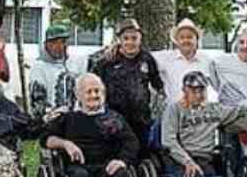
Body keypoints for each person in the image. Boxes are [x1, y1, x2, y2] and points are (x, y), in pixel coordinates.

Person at [42, 73, 141, 177]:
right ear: (78, 95)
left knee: (122, 174)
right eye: (89, 92)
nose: (94, 95)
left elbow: (131, 142)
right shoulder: (68, 117)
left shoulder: (113, 118)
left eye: (97, 91)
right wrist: (65, 144)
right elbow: (46, 139)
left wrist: (122, 161)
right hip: (78, 167)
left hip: (106, 166)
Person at [90, 18, 164, 155]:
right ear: (119, 39)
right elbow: (92, 83)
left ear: (140, 39)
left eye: (134, 38)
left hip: (140, 120)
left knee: (140, 154)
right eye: (126, 38)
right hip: (113, 119)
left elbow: (158, 86)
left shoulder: (147, 59)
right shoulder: (106, 60)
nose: (130, 42)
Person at [29, 21, 89, 122]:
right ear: (46, 44)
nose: (59, 46)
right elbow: (37, 103)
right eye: (54, 43)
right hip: (52, 120)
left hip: (76, 119)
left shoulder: (74, 62)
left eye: (63, 42)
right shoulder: (38, 67)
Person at [152, 18, 219, 103]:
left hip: (199, 112)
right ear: (176, 41)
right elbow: (144, 58)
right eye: (182, 37)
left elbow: (218, 85)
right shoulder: (165, 58)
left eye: (190, 37)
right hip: (174, 112)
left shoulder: (207, 60)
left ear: (196, 40)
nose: (186, 40)